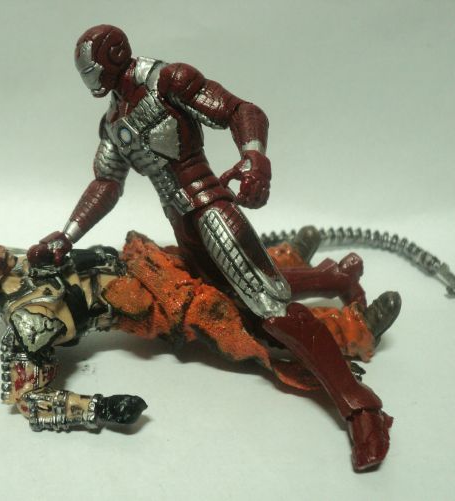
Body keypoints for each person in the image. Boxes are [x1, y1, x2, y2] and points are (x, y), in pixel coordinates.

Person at [25, 25, 398, 469]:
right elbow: (106, 182)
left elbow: (242, 110)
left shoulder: (169, 81)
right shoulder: (112, 122)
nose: (92, 81)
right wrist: (66, 235)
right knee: (234, 296)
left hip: (210, 208)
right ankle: (334, 278)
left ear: (114, 56)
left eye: (93, 70)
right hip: (181, 222)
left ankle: (362, 409)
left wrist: (254, 156)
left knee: (271, 311)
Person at [0, 229, 399, 469]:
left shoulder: (26, 257)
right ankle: (350, 329)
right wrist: (98, 408)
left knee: (210, 260)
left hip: (140, 261)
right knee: (227, 313)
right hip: (149, 306)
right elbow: (30, 400)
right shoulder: (27, 324)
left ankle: (285, 259)